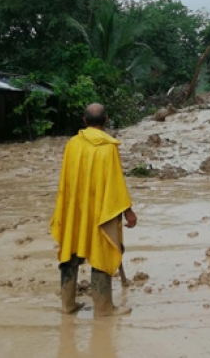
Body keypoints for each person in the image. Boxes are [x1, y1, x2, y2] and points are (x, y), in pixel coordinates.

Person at [50, 103, 137, 316]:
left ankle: (67, 305)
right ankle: (104, 308)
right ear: (106, 120)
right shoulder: (109, 147)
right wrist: (128, 211)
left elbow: (66, 182)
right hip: (100, 209)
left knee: (71, 249)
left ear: (84, 121)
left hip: (75, 210)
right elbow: (115, 184)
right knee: (102, 249)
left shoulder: (72, 144)